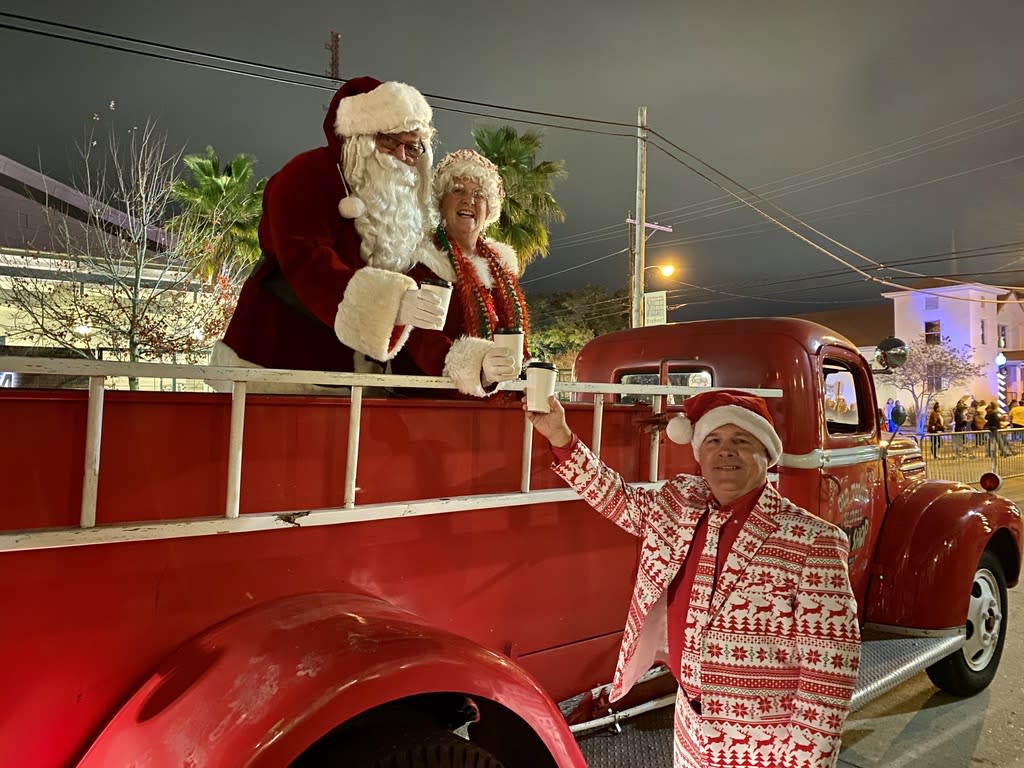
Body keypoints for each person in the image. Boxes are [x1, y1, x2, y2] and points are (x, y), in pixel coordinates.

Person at [525, 388, 860, 768]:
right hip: (690, 724)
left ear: (767, 454)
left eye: (741, 440)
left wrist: (807, 758)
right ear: (699, 453)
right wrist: (560, 438)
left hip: (767, 738)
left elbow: (830, 672)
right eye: (713, 440)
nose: (725, 451)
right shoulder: (681, 502)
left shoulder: (812, 540)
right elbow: (618, 500)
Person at [210, 76, 447, 391]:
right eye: (390, 141)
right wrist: (390, 304)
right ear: (360, 137)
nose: (403, 157)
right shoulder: (307, 175)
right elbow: (309, 264)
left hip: (360, 380)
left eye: (413, 147)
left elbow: (417, 315)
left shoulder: (409, 211)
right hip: (281, 364)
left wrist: (463, 361)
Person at [390, 149, 525, 396]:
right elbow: (421, 341)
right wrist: (479, 368)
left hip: (493, 409)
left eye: (479, 195)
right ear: (441, 204)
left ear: (489, 209)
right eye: (458, 190)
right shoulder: (423, 266)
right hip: (429, 409)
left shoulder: (500, 271)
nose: (468, 200)